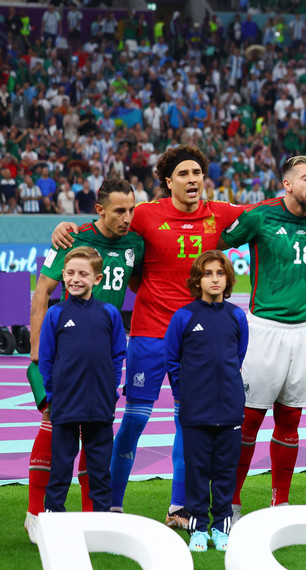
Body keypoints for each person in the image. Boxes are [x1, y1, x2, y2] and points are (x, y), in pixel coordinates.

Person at [47, 146, 245, 526]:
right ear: (169, 181)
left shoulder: (220, 212)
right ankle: (113, 506)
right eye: (183, 174)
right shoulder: (144, 215)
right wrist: (64, 227)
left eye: (197, 173)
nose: (192, 179)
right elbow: (104, 225)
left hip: (196, 339)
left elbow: (266, 212)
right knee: (134, 421)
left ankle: (179, 509)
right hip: (150, 333)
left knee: (187, 423)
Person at [25, 177, 143, 539]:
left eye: (131, 210)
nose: (127, 218)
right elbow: (42, 291)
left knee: (96, 437)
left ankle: (94, 518)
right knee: (53, 431)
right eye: (119, 211)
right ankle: (36, 514)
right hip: (65, 351)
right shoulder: (71, 239)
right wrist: (35, 353)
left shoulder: (135, 242)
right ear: (99, 210)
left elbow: (141, 284)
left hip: (102, 353)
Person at [222, 156, 306, 520]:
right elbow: (217, 239)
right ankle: (231, 502)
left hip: (304, 334)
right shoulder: (261, 215)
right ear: (287, 184)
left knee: (290, 421)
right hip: (263, 331)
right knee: (248, 421)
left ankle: (279, 502)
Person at [164, 251, 249, 552]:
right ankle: (198, 527)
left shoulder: (237, 316)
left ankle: (222, 527)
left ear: (228, 279)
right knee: (197, 471)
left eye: (220, 273)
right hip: (195, 409)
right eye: (208, 273)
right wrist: (185, 391)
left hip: (229, 407)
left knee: (225, 471)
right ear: (197, 280)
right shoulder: (184, 316)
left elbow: (238, 355)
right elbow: (172, 359)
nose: (214, 278)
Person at [38, 248, 127, 514]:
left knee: (100, 469)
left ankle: (102, 519)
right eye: (71, 273)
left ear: (97, 279)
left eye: (83, 274)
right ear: (63, 275)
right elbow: (46, 359)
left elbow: (117, 354)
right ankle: (54, 516)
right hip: (65, 404)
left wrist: (110, 390)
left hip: (100, 404)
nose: (76, 279)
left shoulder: (110, 313)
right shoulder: (56, 314)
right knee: (62, 465)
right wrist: (53, 396)